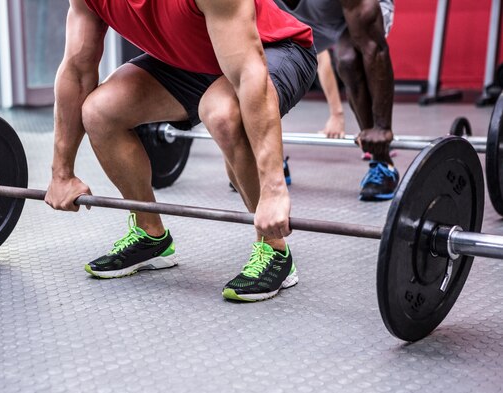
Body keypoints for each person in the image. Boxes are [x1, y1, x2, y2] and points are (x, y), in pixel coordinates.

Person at [44, 0, 318, 302]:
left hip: (273, 48)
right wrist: (62, 173)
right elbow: (77, 70)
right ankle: (150, 235)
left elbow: (248, 73)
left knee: (223, 114)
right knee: (99, 112)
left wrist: (274, 189)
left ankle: (274, 248)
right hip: (193, 60)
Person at [279, 0, 398, 201]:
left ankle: (382, 163)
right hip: (306, 19)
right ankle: (273, 163)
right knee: (258, 57)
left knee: (349, 60)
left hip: (354, 12)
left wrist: (381, 127)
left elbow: (373, 48)